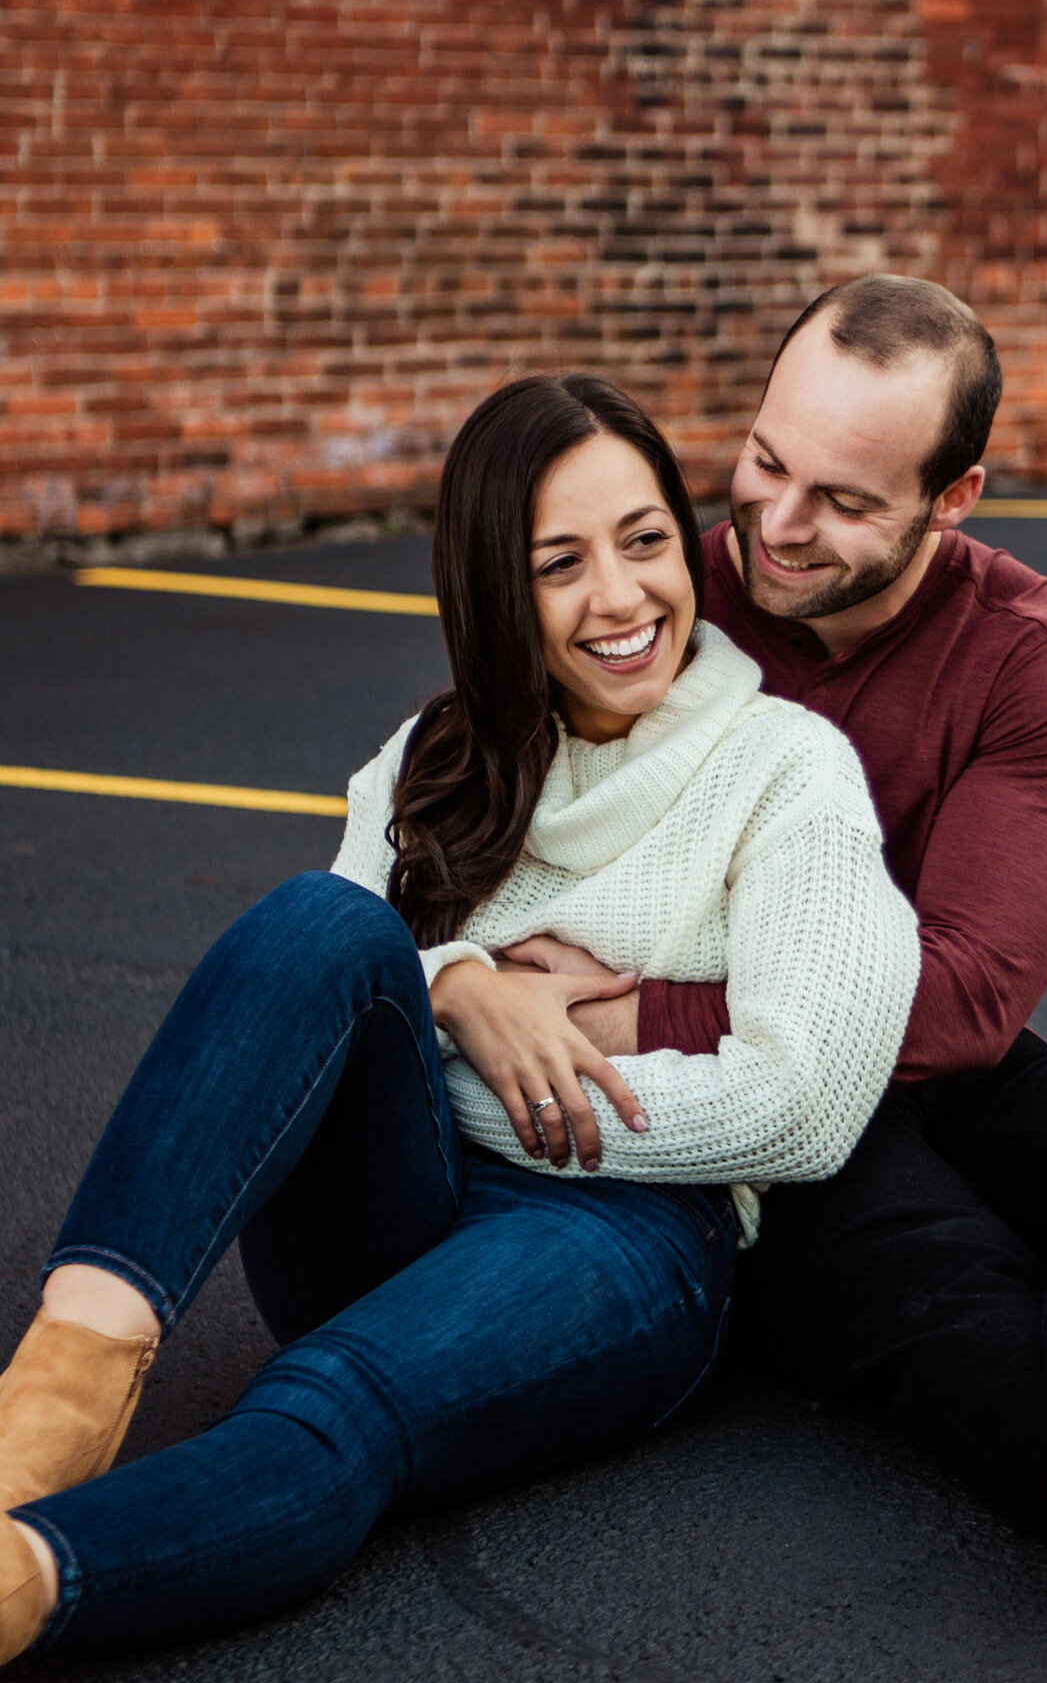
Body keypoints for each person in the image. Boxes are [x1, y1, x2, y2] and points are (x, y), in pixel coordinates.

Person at [0, 372, 920, 1668]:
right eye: (560, 562)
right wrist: (466, 992)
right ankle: (60, 1391)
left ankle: (29, 1581)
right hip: (392, 1198)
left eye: (646, 540)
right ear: (495, 588)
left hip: (622, 1224)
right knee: (324, 926)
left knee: (328, 1402)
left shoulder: (785, 768)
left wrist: (510, 1087)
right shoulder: (430, 755)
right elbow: (314, 1006)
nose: (621, 597)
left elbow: (805, 1101)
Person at [487, 275, 1047, 1632]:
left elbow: (964, 1001)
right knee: (935, 1264)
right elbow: (454, 827)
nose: (775, 526)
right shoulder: (654, 592)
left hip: (866, 1040)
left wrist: (637, 1012)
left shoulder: (1036, 657)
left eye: (843, 501)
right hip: (748, 1120)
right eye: (766, 462)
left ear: (956, 499)